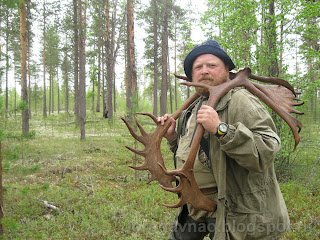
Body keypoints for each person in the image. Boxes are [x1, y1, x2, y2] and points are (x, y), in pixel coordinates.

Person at [158, 40, 290, 240]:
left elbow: (266, 151)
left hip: (231, 208)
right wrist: (172, 137)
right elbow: (193, 153)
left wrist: (221, 129)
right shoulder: (192, 108)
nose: (204, 71)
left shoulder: (241, 101)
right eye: (198, 67)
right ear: (191, 75)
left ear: (227, 70)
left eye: (212, 65)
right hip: (194, 203)